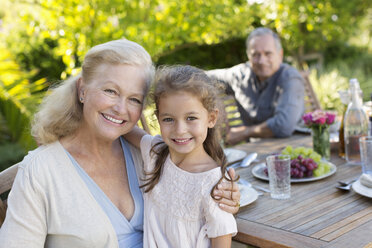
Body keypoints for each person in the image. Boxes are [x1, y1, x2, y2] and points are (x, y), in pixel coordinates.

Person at [0, 39, 240, 248]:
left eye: (134, 99)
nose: (121, 108)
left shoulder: (149, 156)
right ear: (82, 90)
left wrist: (225, 196)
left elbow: (195, 191)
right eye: (110, 91)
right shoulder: (40, 171)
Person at [124, 65, 238, 247]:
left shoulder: (214, 184)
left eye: (191, 118)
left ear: (211, 118)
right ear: (158, 117)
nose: (180, 130)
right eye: (168, 119)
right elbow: (124, 125)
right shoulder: (156, 152)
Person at [208, 27, 305, 145]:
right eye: (255, 54)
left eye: (268, 53)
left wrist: (244, 132)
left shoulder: (290, 77)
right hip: (255, 150)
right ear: (248, 56)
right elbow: (206, 76)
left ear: (280, 55)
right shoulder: (239, 75)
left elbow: (283, 126)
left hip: (293, 145)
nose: (261, 60)